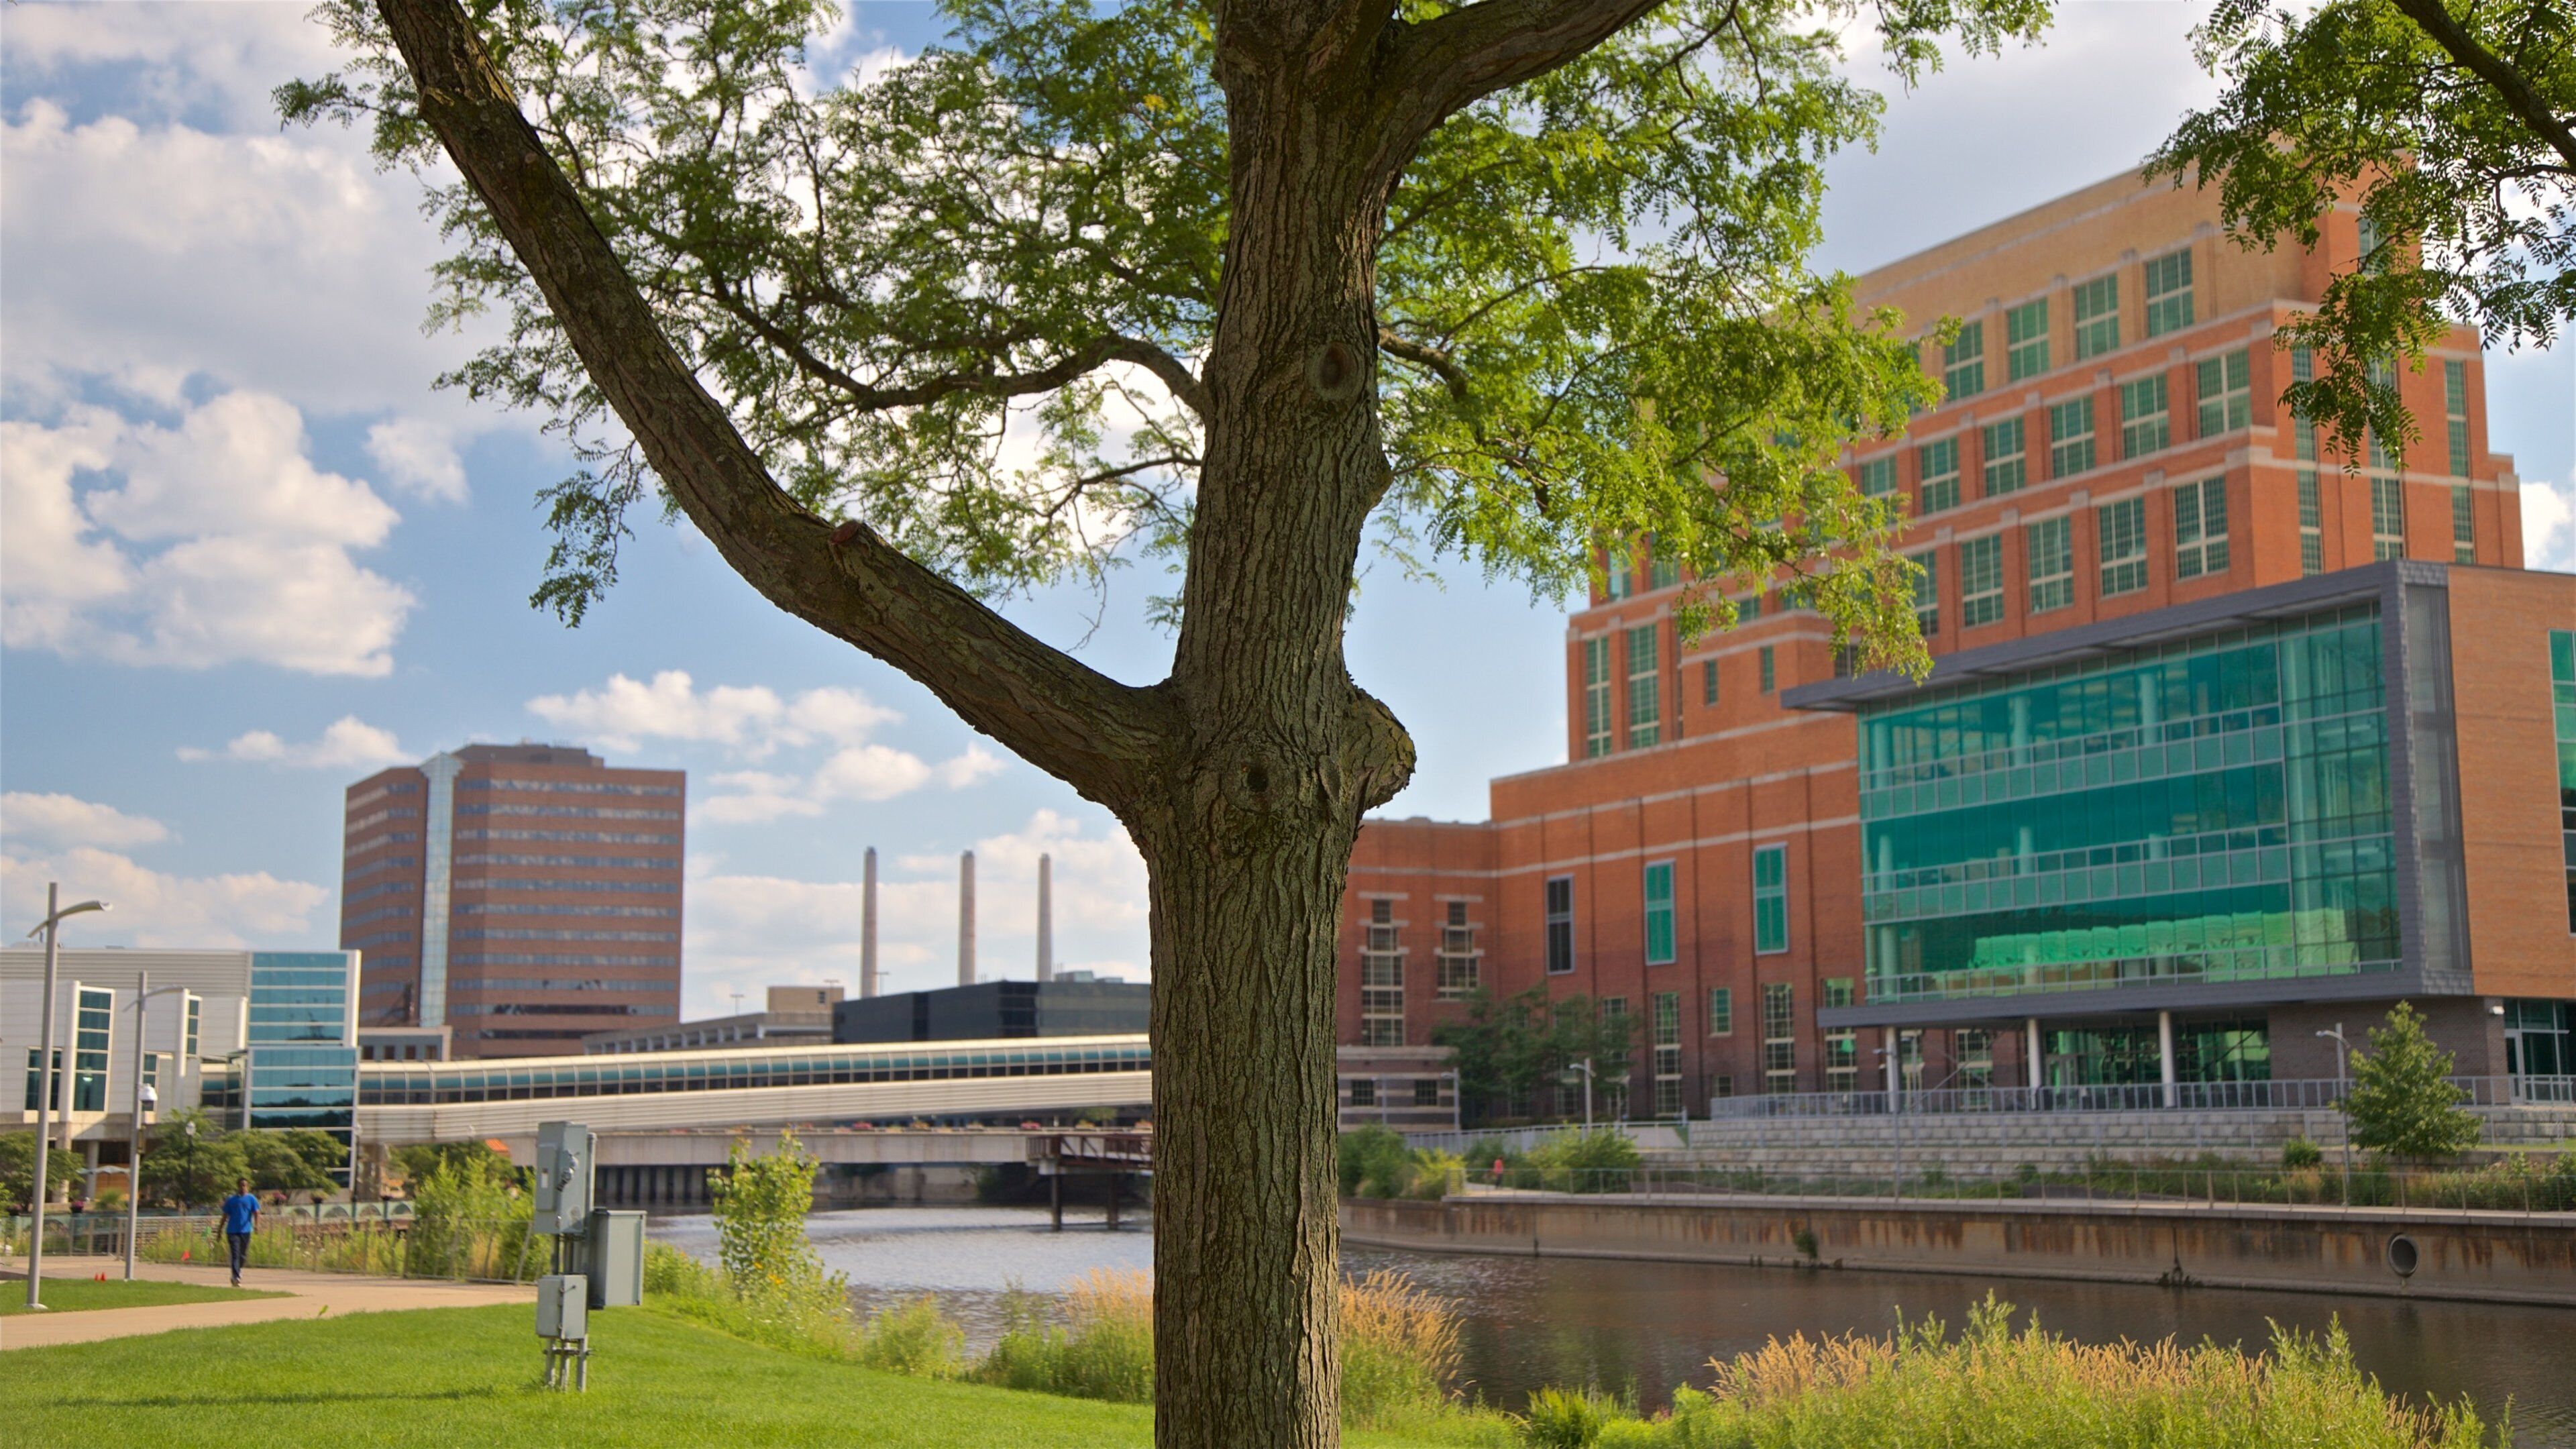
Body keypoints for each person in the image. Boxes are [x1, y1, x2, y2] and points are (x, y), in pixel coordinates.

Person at [219, 1177, 260, 1287]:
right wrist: (220, 1230)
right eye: (241, 1185)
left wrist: (257, 1225)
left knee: (243, 1255)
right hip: (232, 1231)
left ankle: (238, 1270)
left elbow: (256, 1212)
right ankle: (236, 1277)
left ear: (247, 1186)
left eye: (244, 1185)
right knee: (235, 1254)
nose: (243, 1187)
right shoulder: (231, 1200)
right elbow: (225, 1216)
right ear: (238, 1186)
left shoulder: (251, 1199)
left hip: (245, 1231)